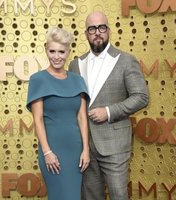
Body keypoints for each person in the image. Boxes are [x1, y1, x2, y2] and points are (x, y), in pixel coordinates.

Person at [69, 11, 149, 200]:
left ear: (109, 31)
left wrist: (108, 111)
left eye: (101, 27)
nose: (97, 32)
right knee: (90, 197)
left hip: (114, 145)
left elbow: (141, 96)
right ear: (86, 34)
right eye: (92, 29)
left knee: (118, 195)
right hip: (85, 147)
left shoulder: (126, 60)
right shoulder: (75, 64)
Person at [26, 27, 90, 200]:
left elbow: (82, 117)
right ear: (46, 49)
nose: (56, 56)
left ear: (68, 52)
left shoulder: (78, 81)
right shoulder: (38, 79)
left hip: (76, 151)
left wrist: (86, 149)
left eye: (61, 52)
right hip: (52, 151)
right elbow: (37, 119)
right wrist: (47, 152)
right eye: (52, 51)